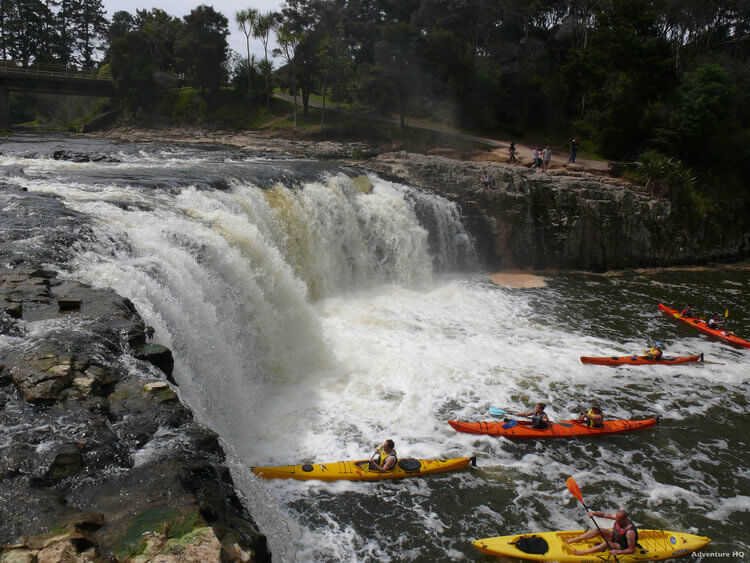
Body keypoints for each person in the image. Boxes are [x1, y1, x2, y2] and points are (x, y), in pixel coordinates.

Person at [564, 510, 638, 557]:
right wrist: (593, 513)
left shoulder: (630, 532)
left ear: (624, 520)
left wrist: (618, 552)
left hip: (621, 545)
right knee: (600, 530)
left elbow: (632, 549)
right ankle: (576, 539)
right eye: (616, 519)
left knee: (606, 544)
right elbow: (604, 515)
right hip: (615, 537)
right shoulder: (618, 518)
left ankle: (582, 553)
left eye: (618, 520)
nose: (616, 521)